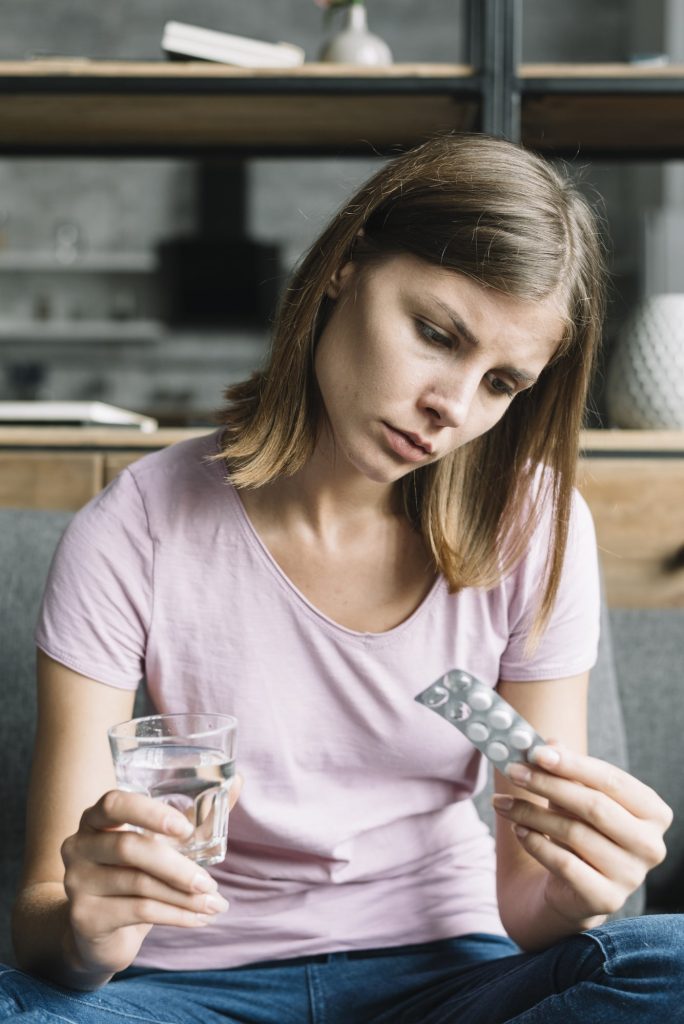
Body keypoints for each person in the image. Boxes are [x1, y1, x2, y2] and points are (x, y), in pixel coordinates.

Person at [4, 132, 681, 1024]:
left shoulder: (538, 526)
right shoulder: (135, 527)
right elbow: (44, 914)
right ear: (345, 268)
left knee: (664, 958)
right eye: (436, 334)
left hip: (447, 977)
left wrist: (587, 891)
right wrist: (90, 932)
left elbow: (527, 912)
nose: (453, 408)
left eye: (502, 383)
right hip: (186, 992)